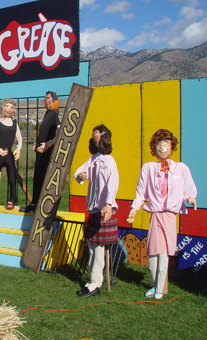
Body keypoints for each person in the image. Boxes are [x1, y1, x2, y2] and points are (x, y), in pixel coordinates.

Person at [127, 129, 197, 299]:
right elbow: (141, 192)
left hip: (170, 215)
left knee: (164, 253)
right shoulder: (149, 168)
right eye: (159, 143)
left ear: (172, 145)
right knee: (152, 252)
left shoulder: (181, 168)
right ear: (154, 147)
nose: (162, 147)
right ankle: (154, 283)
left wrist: (191, 199)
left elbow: (187, 190)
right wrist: (134, 209)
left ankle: (160, 288)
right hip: (155, 214)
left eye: (166, 143)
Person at [74, 125, 119, 298]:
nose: (94, 137)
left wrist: (108, 204)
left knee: (99, 248)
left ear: (104, 137)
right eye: (93, 134)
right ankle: (92, 280)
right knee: (92, 246)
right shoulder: (93, 159)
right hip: (93, 209)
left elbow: (112, 183)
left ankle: (95, 283)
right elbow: (79, 172)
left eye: (97, 134)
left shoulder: (109, 160)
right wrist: (81, 176)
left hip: (104, 210)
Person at [21, 91, 60, 212]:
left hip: (46, 153)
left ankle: (41, 206)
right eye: (45, 98)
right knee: (37, 178)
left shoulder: (54, 114)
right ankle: (35, 204)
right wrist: (37, 144)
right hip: (40, 151)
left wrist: (48, 144)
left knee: (43, 178)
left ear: (54, 101)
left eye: (48, 98)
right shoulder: (47, 114)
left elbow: (60, 132)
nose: (45, 100)